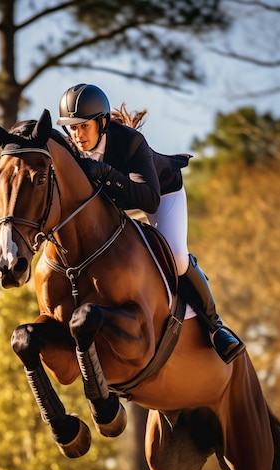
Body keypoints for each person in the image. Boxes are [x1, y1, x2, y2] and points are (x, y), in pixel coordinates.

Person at [57, 83, 245, 364]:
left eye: (84, 126)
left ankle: (215, 326)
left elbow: (148, 200)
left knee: (177, 256)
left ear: (102, 122)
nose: (77, 135)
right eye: (72, 127)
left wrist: (105, 172)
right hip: (116, 205)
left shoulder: (130, 142)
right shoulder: (70, 149)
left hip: (161, 194)